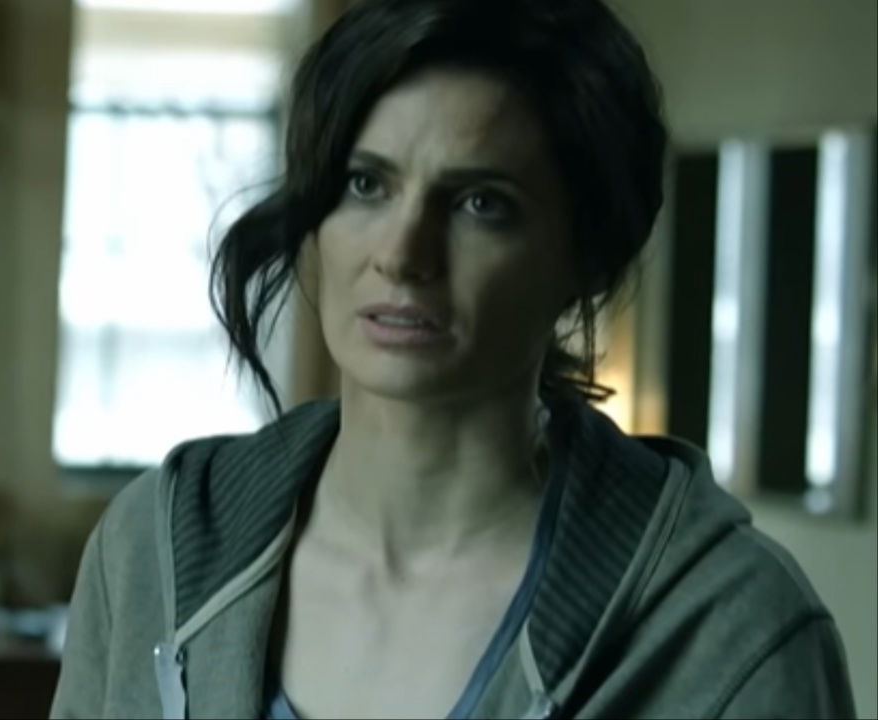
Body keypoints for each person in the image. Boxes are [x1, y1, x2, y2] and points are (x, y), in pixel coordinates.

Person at [50, 0, 856, 717]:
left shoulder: (729, 630)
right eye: (366, 184)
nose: (404, 254)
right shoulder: (155, 551)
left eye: (480, 203)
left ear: (585, 258)